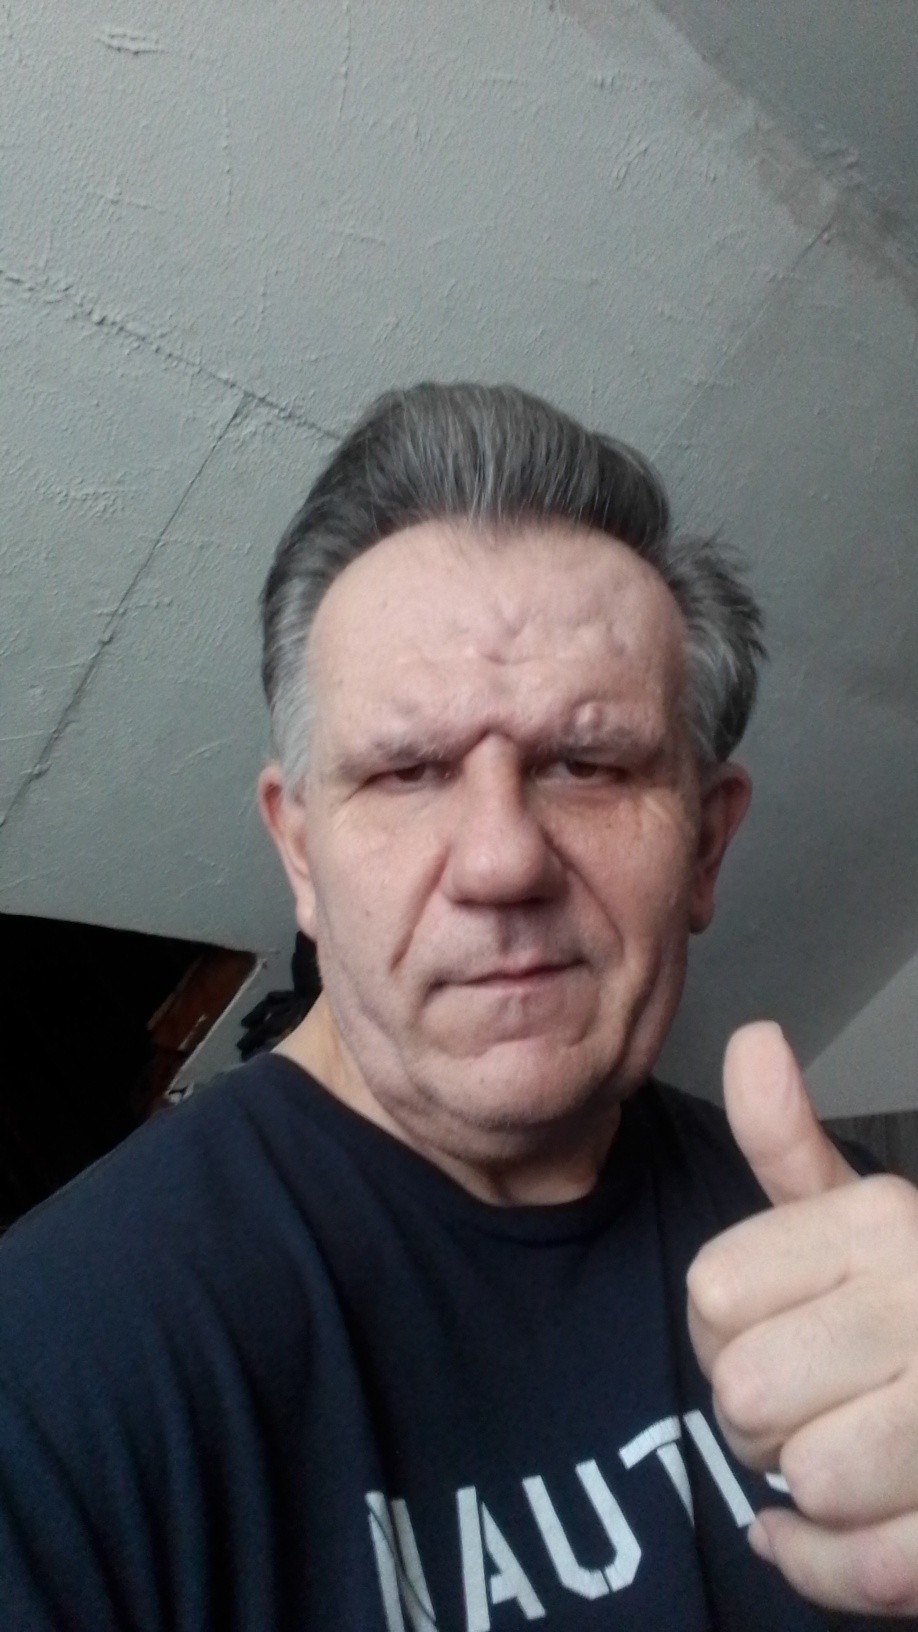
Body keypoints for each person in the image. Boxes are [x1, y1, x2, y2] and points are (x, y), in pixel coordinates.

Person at [1, 384, 915, 1631]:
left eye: (588, 764)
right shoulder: (53, 1378)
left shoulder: (861, 1250)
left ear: (706, 846)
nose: (501, 861)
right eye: (408, 770)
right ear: (301, 853)